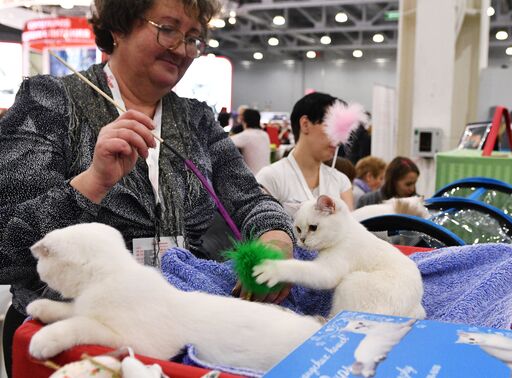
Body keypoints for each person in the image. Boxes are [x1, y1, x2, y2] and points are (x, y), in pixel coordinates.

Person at [0, 0, 294, 375]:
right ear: (119, 27)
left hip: (169, 339)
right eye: (168, 28)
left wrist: (276, 241)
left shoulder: (197, 119)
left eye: (193, 38)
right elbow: (5, 248)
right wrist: (93, 182)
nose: (183, 49)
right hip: (72, 345)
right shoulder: (50, 102)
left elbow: (251, 200)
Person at [256, 92, 354, 217]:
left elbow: (351, 231)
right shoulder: (270, 178)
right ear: (305, 124)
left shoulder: (341, 182)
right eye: (331, 126)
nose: (338, 138)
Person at [230, 108, 271, 174]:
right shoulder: (265, 135)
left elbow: (224, 142)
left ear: (244, 120)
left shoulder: (246, 135)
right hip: (267, 176)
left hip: (253, 178)